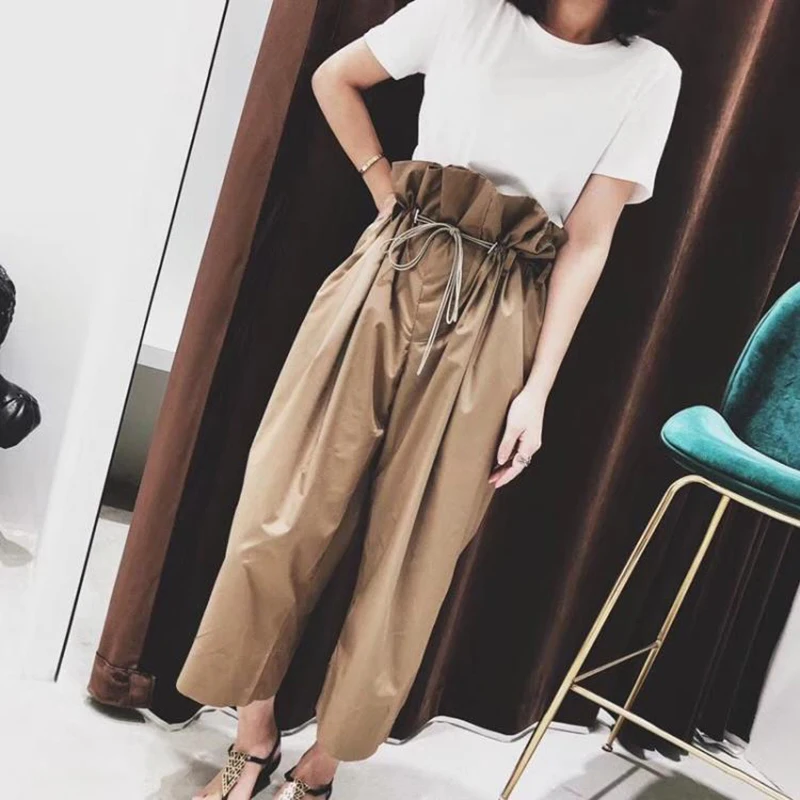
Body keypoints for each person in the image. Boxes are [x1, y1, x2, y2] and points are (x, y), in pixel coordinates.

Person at [180, 0, 682, 797]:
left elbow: (589, 243)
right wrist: (384, 190)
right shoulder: (467, 9)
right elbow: (335, 77)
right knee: (280, 517)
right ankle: (254, 736)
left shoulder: (648, 73)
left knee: (411, 559)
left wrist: (538, 390)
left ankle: (325, 761)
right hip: (389, 271)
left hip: (500, 316)